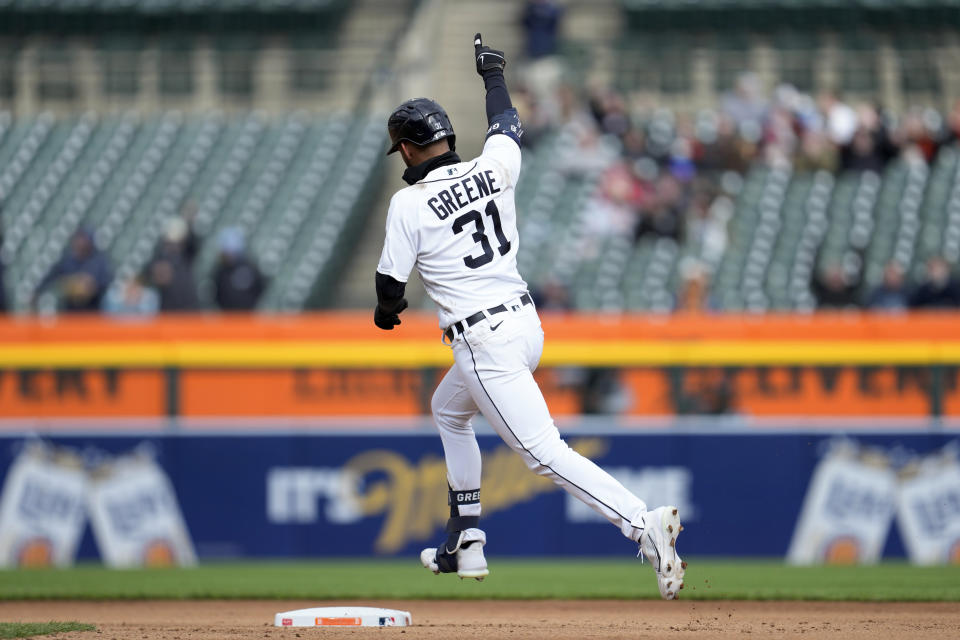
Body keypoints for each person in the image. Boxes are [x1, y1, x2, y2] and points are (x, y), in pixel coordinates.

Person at [374, 33, 685, 599]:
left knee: (544, 454)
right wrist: (493, 76)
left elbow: (389, 286)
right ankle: (465, 537)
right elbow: (506, 125)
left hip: (482, 340)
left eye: (401, 150)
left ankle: (643, 523)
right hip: (523, 323)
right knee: (448, 411)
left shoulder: (408, 203)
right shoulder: (494, 168)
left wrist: (386, 313)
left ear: (410, 149)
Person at [38, 228, 112, 312]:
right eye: (79, 239)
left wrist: (90, 285)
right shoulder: (67, 260)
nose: (81, 243)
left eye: (84, 239)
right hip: (70, 311)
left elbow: (105, 281)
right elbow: (51, 278)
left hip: (92, 312)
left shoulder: (98, 261)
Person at [213, 227, 265, 311]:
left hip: (247, 316)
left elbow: (259, 288)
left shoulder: (249, 267)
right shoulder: (220, 271)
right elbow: (217, 294)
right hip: (228, 317)